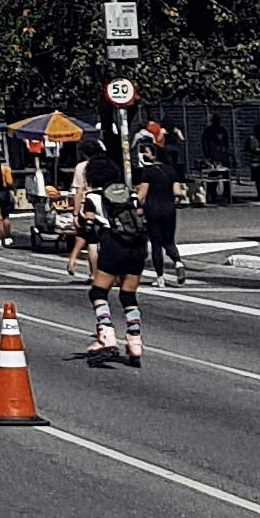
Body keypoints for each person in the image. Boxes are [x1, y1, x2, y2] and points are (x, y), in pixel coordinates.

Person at [83, 154, 149, 365]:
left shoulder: (93, 197)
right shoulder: (130, 194)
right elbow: (139, 213)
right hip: (137, 245)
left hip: (113, 245)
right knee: (128, 295)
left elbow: (87, 223)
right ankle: (135, 340)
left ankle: (107, 334)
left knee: (98, 292)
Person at [138, 126, 183, 288]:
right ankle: (178, 262)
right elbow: (178, 192)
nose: (144, 155)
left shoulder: (148, 172)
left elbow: (141, 195)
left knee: (156, 244)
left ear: (153, 154)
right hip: (169, 209)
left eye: (146, 152)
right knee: (169, 241)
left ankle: (160, 277)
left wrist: (137, 204)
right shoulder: (171, 171)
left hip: (153, 209)